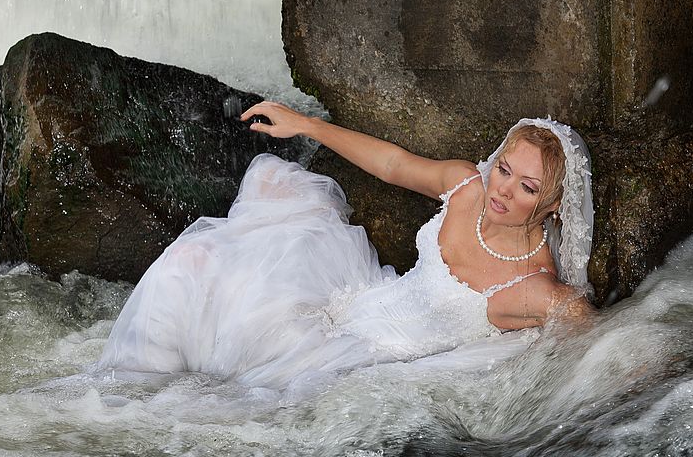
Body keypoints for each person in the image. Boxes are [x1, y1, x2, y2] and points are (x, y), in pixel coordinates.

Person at [96, 101, 595, 399]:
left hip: (363, 365)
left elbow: (600, 346)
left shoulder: (534, 287)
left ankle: (119, 406)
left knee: (217, 399)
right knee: (195, 259)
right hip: (349, 297)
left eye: (527, 187)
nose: (502, 191)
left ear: (553, 205)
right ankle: (122, 383)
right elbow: (394, 165)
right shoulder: (467, 185)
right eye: (504, 169)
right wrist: (306, 125)